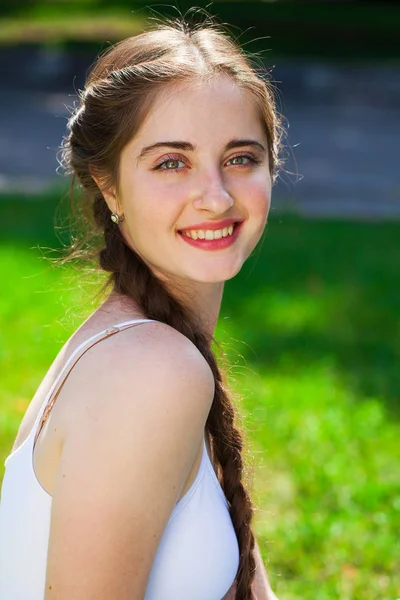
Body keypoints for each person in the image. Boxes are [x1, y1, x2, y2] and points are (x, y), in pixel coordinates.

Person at [0, 9, 283, 600]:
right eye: (170, 163)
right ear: (109, 187)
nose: (215, 196)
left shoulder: (145, 340)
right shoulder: (150, 370)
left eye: (241, 158)